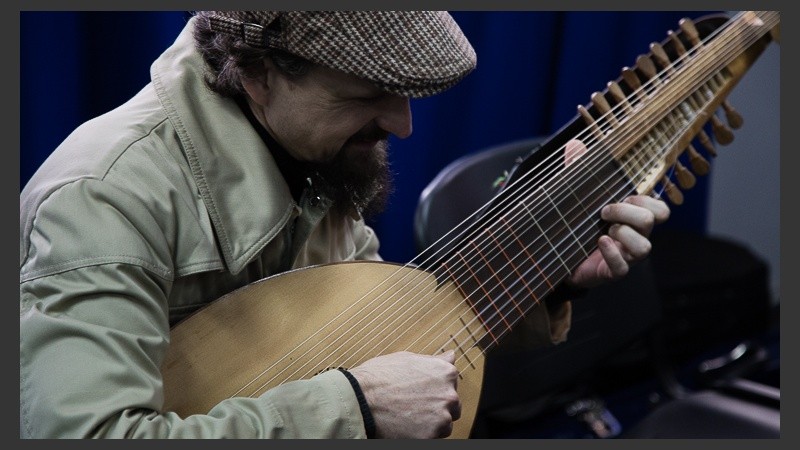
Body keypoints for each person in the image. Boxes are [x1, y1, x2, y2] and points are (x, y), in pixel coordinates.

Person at [19, 11, 670, 439]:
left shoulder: (315, 152)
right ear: (257, 73)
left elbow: (386, 348)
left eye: (406, 94)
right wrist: (351, 410)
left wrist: (549, 277)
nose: (402, 125)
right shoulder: (106, 195)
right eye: (365, 96)